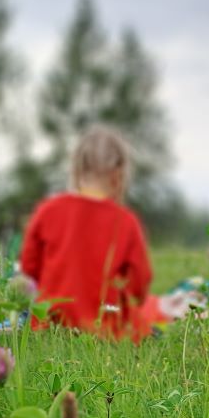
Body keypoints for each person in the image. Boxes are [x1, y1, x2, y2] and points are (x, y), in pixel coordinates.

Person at [19, 126, 155, 341]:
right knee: (145, 327)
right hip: (107, 329)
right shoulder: (126, 222)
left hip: (50, 324)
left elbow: (29, 268)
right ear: (119, 174)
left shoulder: (48, 210)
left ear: (76, 169)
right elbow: (140, 283)